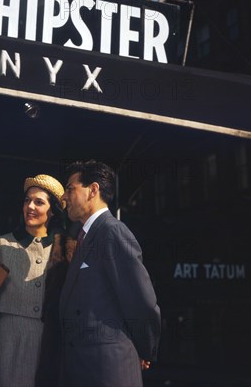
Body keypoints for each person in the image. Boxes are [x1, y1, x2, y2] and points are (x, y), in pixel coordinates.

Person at [59, 160, 161, 387]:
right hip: (84, 367)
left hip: (106, 370)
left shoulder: (112, 231)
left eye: (70, 188)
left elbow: (141, 300)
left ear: (93, 190)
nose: (64, 197)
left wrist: (144, 348)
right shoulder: (87, 234)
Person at [0, 174, 75, 387]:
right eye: (27, 200)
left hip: (48, 340)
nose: (30, 206)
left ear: (52, 210)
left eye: (39, 202)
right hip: (8, 337)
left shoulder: (66, 248)